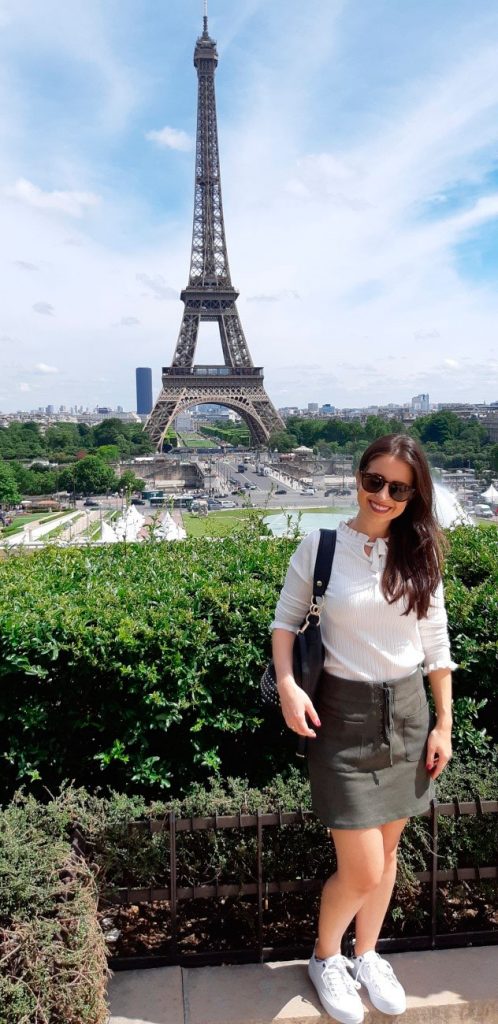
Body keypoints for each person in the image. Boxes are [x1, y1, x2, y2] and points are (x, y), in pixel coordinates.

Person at [271, 434, 455, 1024]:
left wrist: (444, 721)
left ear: (413, 496)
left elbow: (435, 646)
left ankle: (367, 952)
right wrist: (287, 684)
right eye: (374, 480)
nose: (383, 495)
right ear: (358, 476)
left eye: (398, 488)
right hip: (341, 718)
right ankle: (327, 957)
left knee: (391, 850)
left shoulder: (420, 555)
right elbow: (285, 623)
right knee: (364, 866)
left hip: (407, 714)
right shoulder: (321, 546)